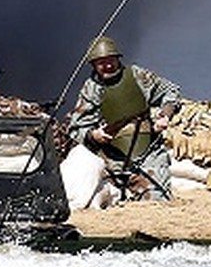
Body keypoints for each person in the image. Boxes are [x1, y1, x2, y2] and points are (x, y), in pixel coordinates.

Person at [67, 36, 180, 201]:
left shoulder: (138, 76)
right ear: (93, 65)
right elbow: (77, 128)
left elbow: (170, 91)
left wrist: (165, 115)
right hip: (110, 159)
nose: (107, 66)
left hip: (148, 155)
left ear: (118, 59)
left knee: (157, 202)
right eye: (101, 62)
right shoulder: (91, 90)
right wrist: (94, 135)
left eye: (110, 60)